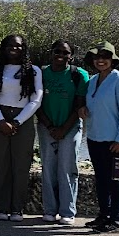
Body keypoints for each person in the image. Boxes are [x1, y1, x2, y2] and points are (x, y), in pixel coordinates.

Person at [0, 34, 43, 222]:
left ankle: (17, 209)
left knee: (21, 166)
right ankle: (0, 207)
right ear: (3, 48)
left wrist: (17, 121)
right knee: (1, 165)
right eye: (10, 45)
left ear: (24, 48)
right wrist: (1, 121)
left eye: (18, 46)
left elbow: (36, 99)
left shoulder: (33, 71)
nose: (14, 49)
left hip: (23, 119)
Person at [83, 42, 119, 234]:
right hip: (95, 138)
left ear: (112, 60)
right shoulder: (93, 80)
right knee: (101, 180)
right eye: (97, 57)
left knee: (115, 180)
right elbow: (93, 106)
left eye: (105, 57)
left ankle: (116, 220)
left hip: (115, 140)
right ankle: (103, 216)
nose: (100, 61)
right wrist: (83, 109)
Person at [36, 40, 89, 225]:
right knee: (48, 168)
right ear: (51, 53)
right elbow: (36, 103)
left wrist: (64, 129)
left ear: (71, 56)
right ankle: (50, 210)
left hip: (71, 127)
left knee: (67, 168)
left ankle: (67, 211)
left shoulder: (79, 75)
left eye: (65, 52)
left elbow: (79, 105)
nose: (61, 55)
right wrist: (50, 127)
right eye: (57, 51)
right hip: (46, 127)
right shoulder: (41, 73)